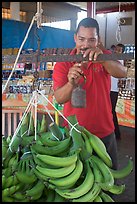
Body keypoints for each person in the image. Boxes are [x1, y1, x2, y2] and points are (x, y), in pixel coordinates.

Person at [52, 17, 127, 170]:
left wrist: (103, 61)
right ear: (75, 38)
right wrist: (71, 83)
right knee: (77, 185)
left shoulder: (104, 55)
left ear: (98, 40)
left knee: (109, 182)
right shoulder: (64, 63)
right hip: (74, 134)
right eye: (81, 39)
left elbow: (122, 72)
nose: (86, 45)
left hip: (104, 132)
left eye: (91, 40)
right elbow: (59, 98)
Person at [110, 43, 125, 140]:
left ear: (122, 52)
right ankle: (112, 131)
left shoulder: (119, 61)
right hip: (109, 89)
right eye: (116, 49)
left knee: (111, 111)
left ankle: (116, 133)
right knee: (109, 111)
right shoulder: (113, 58)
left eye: (119, 50)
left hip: (113, 90)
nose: (116, 51)